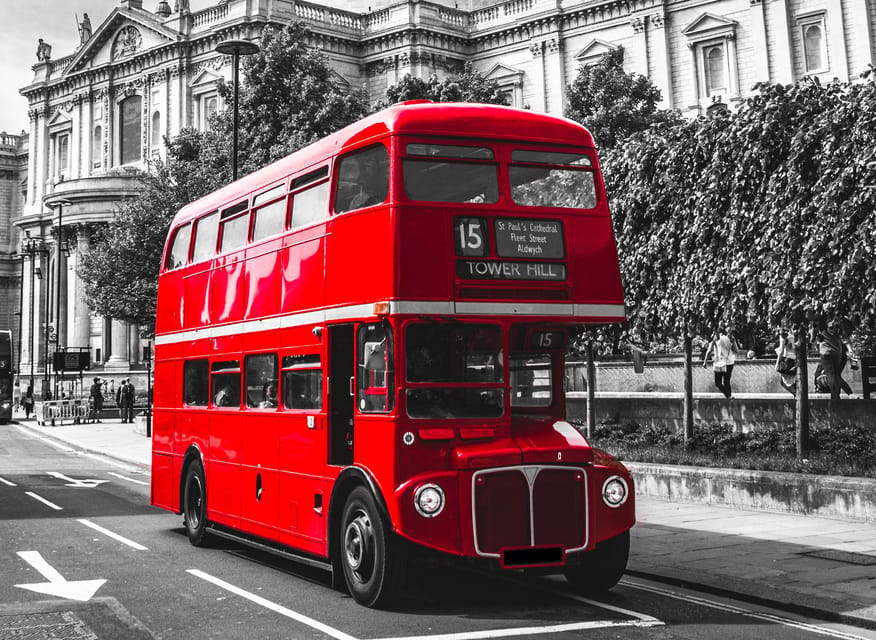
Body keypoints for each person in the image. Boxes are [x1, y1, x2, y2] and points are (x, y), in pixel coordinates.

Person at [703, 327, 739, 399]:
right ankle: (729, 396)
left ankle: (728, 395)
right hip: (729, 362)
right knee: (726, 381)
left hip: (719, 362)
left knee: (718, 383)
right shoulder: (730, 337)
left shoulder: (716, 338)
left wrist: (705, 361)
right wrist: (733, 341)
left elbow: (709, 350)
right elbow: (736, 351)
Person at [774, 330, 797, 395]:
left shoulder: (783, 337)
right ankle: (796, 395)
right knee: (787, 381)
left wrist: (777, 363)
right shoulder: (793, 335)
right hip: (794, 360)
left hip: (787, 360)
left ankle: (796, 395)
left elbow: (781, 352)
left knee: (785, 382)